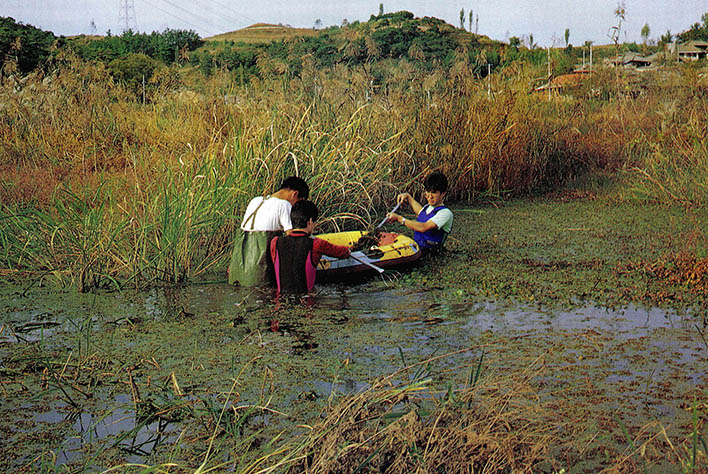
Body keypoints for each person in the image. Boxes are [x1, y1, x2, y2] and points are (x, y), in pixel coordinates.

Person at [228, 176, 309, 287]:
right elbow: (293, 237)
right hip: (258, 274)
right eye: (298, 202)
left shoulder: (255, 201)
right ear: (295, 194)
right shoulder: (284, 205)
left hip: (237, 271)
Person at [270, 200, 350, 294]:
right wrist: (348, 251)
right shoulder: (317, 244)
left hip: (281, 301)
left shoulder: (275, 242)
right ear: (310, 221)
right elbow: (341, 253)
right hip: (307, 301)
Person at [387, 170, 453, 253]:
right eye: (428, 191)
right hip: (417, 248)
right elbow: (420, 212)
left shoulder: (446, 213)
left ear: (443, 194)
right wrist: (408, 197)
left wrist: (400, 219)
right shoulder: (427, 207)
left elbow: (424, 227)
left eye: (434, 192)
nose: (430, 196)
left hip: (430, 253)